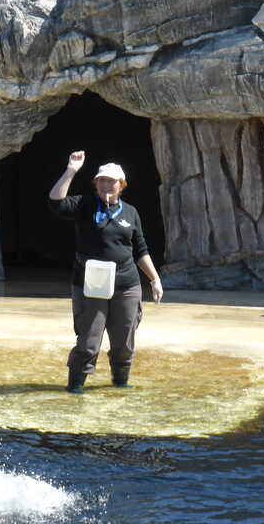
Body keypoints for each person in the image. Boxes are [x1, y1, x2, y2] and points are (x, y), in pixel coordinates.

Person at [48, 150, 163, 393]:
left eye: (111, 181)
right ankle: (75, 387)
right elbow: (56, 202)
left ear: (122, 185)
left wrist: (154, 279)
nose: (106, 185)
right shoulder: (85, 205)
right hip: (91, 284)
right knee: (88, 341)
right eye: (101, 180)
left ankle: (120, 384)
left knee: (124, 342)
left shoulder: (130, 212)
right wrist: (71, 170)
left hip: (126, 284)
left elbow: (140, 250)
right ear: (96, 184)